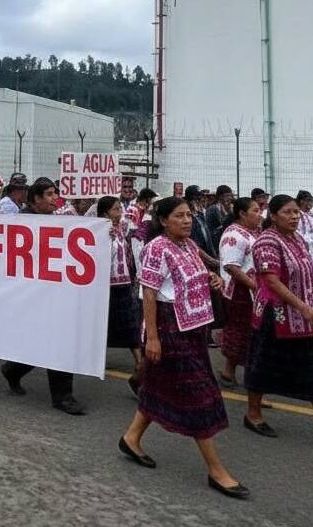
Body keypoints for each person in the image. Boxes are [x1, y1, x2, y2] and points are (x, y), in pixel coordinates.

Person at [119, 196, 248, 499]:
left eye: (189, 215)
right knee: (197, 395)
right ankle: (216, 470)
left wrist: (213, 279)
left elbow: (194, 276)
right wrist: (152, 338)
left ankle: (131, 437)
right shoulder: (156, 248)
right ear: (164, 221)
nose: (187, 220)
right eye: (179, 216)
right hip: (169, 329)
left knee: (158, 386)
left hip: (193, 329)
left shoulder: (189, 245)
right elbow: (149, 294)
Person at [243, 194, 313, 446]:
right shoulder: (266, 241)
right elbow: (271, 281)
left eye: (296, 212)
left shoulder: (296, 239)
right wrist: (302, 307)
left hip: (305, 318)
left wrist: (311, 306)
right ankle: (253, 414)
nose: (294, 217)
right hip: (276, 316)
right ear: (273, 216)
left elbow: (306, 275)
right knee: (264, 365)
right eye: (287, 212)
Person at [1, 178, 84, 415]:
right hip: (30, 293)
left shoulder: (57, 220)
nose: (54, 198)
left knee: (52, 338)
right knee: (52, 339)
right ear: (36, 199)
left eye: (55, 193)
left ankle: (14, 370)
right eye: (49, 194)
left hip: (52, 291)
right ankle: (62, 396)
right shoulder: (22, 221)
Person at [217, 197, 262, 387]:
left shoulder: (250, 232)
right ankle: (231, 372)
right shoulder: (234, 235)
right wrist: (254, 285)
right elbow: (231, 266)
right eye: (255, 211)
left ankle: (238, 371)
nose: (260, 215)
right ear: (242, 214)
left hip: (249, 291)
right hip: (239, 292)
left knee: (248, 332)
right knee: (240, 331)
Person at [97, 197, 142, 372]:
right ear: (105, 213)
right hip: (107, 287)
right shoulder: (100, 233)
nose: (119, 213)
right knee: (103, 324)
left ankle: (139, 361)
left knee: (130, 322)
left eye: (120, 209)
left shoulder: (120, 230)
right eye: (115, 209)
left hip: (124, 284)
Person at [296, 190, 313, 257]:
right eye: (309, 200)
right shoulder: (296, 215)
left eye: (312, 201)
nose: (311, 203)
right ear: (301, 201)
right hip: (303, 248)